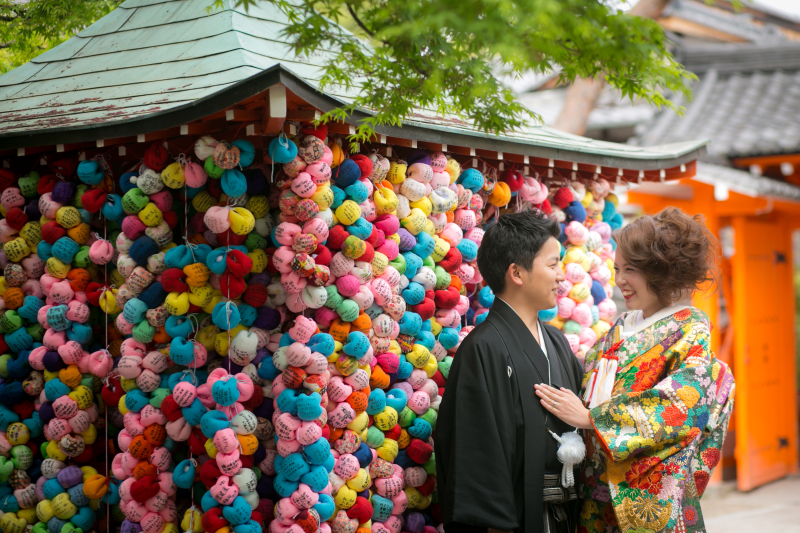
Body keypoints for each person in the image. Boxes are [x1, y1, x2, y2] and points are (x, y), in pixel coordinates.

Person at [534, 208, 735, 533]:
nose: (620, 280)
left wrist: (591, 419)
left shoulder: (690, 328)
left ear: (663, 271)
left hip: (648, 495)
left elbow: (682, 406)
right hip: (593, 494)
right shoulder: (618, 330)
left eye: (631, 270)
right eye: (617, 269)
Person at [436, 210, 585, 533]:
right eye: (552, 264)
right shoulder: (483, 348)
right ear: (517, 273)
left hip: (567, 515)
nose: (562, 276)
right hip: (516, 521)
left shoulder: (557, 341)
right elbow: (476, 452)